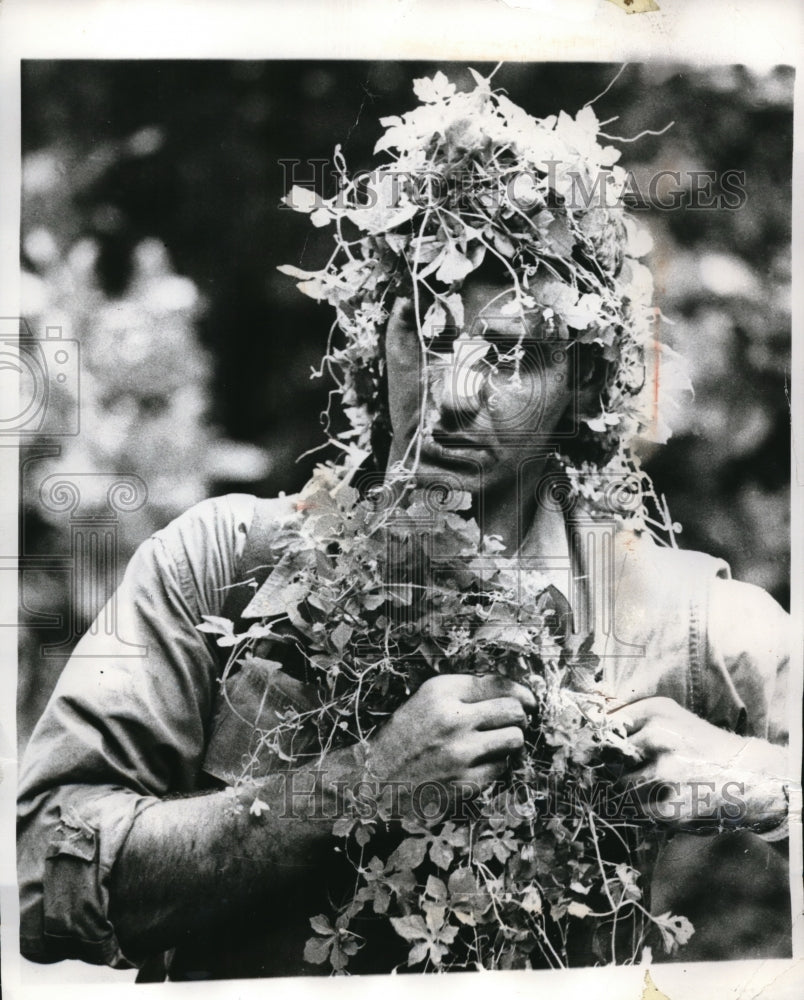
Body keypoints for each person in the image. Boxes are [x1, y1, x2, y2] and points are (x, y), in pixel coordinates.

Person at [17, 69, 792, 979]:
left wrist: (758, 783)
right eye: (423, 331)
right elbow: (42, 879)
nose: (453, 393)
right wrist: (356, 785)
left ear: (582, 382)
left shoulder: (683, 618)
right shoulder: (218, 567)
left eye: (508, 351)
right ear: (368, 341)